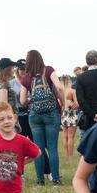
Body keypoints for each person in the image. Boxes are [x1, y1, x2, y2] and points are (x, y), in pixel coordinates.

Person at [19, 49, 63, 185]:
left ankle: (40, 180)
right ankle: (55, 179)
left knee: (38, 148)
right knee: (52, 147)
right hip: (51, 112)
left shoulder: (26, 77)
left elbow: (22, 100)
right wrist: (62, 102)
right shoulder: (49, 70)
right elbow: (59, 87)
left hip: (35, 115)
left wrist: (30, 103)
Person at [59, 74, 79, 158]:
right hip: (71, 115)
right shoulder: (72, 91)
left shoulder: (60, 92)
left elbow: (60, 104)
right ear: (69, 81)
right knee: (71, 137)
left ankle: (67, 155)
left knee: (65, 136)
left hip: (64, 115)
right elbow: (77, 104)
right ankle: (70, 156)